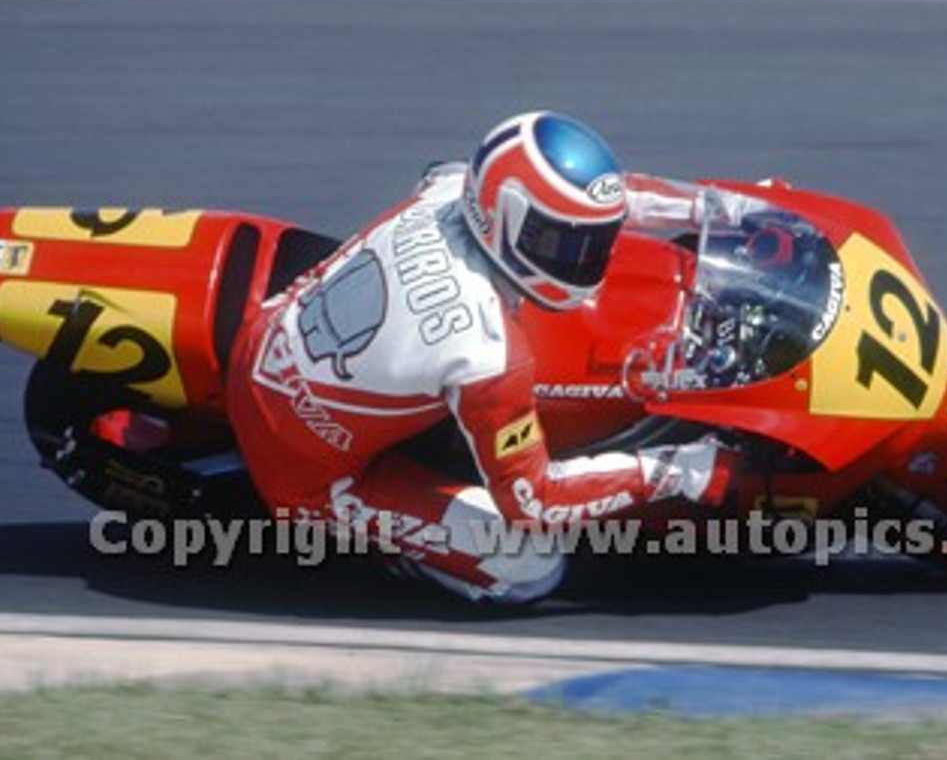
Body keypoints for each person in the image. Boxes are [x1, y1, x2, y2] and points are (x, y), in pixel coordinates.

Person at [225, 111, 737, 603]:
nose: (591, 260)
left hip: (275, 327)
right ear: (505, 220)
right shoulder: (483, 352)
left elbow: (590, 199)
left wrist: (712, 208)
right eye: (570, 246)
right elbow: (535, 502)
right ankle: (392, 553)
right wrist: (676, 471)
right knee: (531, 566)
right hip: (312, 475)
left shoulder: (450, 189)